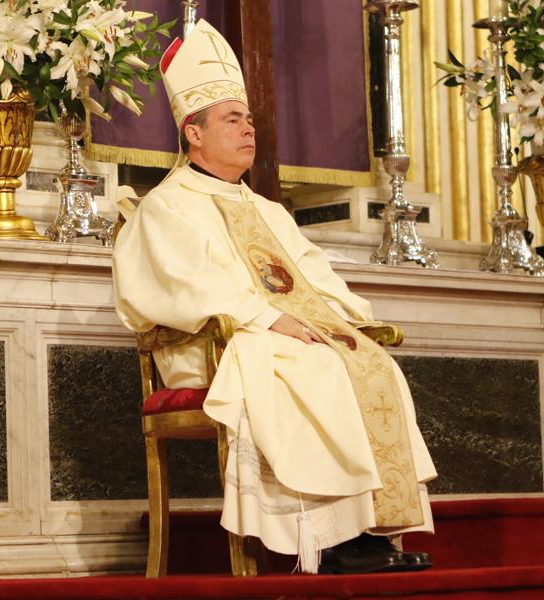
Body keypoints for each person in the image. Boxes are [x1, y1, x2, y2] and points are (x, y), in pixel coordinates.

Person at [112, 20, 437, 575]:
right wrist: (265, 318)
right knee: (311, 369)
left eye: (250, 119)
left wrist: (347, 319)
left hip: (278, 336)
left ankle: (367, 530)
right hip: (213, 348)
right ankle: (328, 542)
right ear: (194, 133)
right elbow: (181, 285)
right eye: (232, 120)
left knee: (365, 361)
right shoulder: (166, 207)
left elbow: (313, 276)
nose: (248, 129)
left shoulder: (267, 210)